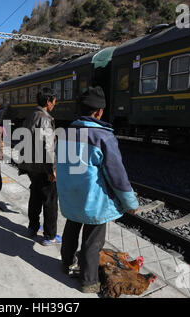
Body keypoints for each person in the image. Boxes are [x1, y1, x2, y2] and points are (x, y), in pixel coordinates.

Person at [56, 86, 139, 293]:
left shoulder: (66, 133)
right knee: (93, 242)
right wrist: (130, 202)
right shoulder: (103, 137)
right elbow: (117, 176)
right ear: (99, 112)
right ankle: (89, 282)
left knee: (71, 229)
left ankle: (66, 264)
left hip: (70, 194)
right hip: (93, 200)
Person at [19, 87, 61, 246]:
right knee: (50, 201)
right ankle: (49, 236)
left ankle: (32, 228)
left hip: (31, 166)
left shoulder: (31, 116)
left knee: (35, 196)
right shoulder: (45, 119)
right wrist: (52, 170)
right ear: (49, 102)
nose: (54, 104)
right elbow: (48, 148)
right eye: (54, 101)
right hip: (43, 167)